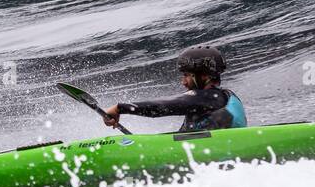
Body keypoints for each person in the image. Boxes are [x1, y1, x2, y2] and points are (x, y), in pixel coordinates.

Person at [101, 45, 247, 133]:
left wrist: (120, 108)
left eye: (187, 75)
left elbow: (161, 107)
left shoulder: (209, 98)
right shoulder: (219, 98)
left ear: (204, 76)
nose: (183, 82)